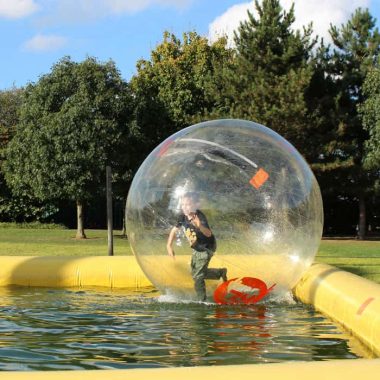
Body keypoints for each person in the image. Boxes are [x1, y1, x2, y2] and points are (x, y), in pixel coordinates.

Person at [167, 192, 227, 301]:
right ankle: (220, 272)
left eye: (188, 204)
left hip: (207, 247)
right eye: (183, 204)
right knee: (195, 273)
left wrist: (199, 225)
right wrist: (169, 245)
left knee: (198, 277)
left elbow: (208, 233)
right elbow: (174, 230)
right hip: (197, 248)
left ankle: (202, 301)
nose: (184, 207)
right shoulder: (182, 217)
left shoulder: (199, 216)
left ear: (195, 206)